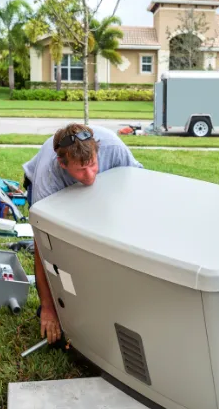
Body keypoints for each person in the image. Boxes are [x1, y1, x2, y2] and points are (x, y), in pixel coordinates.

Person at [22, 124, 143, 345]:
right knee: (62, 249)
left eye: (93, 165)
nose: (89, 176)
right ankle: (60, 305)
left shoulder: (114, 148)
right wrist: (48, 308)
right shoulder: (48, 176)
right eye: (80, 170)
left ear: (98, 152)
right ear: (62, 164)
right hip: (55, 194)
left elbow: (137, 189)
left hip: (102, 192)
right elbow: (42, 246)